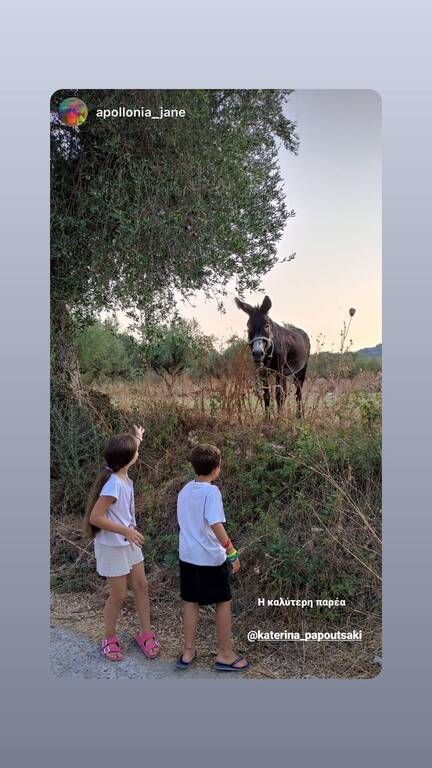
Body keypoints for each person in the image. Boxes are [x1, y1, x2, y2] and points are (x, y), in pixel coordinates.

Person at [83, 425, 160, 661]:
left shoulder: (122, 473)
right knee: (118, 594)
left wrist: (137, 437)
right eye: (136, 450)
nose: (138, 452)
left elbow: (132, 449)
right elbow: (95, 517)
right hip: (113, 544)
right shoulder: (114, 483)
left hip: (128, 540)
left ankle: (145, 633)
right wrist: (126, 529)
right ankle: (109, 637)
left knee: (141, 585)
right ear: (127, 458)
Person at [176, 443, 249, 672]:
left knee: (191, 601)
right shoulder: (212, 492)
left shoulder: (185, 489)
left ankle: (188, 651)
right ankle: (225, 654)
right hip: (210, 559)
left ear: (194, 467)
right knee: (223, 601)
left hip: (187, 557)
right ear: (217, 468)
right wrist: (231, 551)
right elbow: (215, 524)